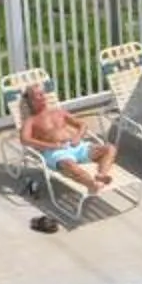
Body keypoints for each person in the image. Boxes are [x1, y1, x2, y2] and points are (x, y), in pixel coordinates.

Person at [16, 83, 117, 229]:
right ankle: (92, 184)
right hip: (57, 152)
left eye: (43, 94)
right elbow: (24, 139)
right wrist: (50, 145)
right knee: (70, 166)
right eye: (38, 95)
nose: (43, 97)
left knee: (109, 148)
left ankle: (101, 175)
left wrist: (78, 136)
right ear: (31, 100)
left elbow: (82, 125)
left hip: (77, 146)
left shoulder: (59, 112)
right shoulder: (31, 121)